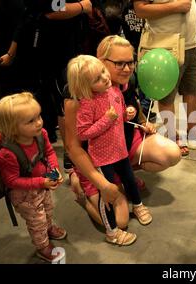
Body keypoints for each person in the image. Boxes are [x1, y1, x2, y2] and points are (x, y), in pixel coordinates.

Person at [64, 35, 181, 244]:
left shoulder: (124, 82)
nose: (127, 69)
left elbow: (131, 106)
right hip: (95, 159)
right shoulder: (78, 94)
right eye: (119, 63)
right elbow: (74, 146)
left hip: (121, 146)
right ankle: (81, 187)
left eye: (130, 62)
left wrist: (143, 121)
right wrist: (100, 183)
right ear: (100, 60)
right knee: (121, 220)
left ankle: (123, 180)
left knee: (171, 153)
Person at [0, 92, 66, 262]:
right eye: (30, 121)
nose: (39, 122)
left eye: (38, 116)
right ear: (12, 127)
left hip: (42, 185)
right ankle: (43, 247)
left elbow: (49, 153)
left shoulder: (40, 135)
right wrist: (42, 181)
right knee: (36, 222)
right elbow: (11, 181)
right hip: (24, 195)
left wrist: (54, 171)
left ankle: (48, 228)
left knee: (48, 209)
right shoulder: (7, 153)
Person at [134, 0, 196, 156]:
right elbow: (140, 10)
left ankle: (192, 126)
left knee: (193, 88)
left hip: (191, 44)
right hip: (165, 46)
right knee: (166, 95)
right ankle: (172, 135)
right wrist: (176, 7)